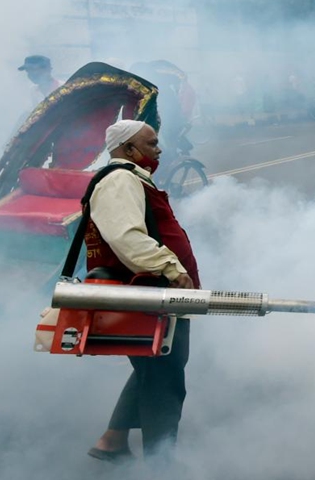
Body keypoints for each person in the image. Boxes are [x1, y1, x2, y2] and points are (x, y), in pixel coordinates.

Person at [85, 119, 200, 464]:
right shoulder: (119, 179)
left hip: (159, 295)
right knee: (164, 380)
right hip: (151, 294)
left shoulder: (131, 178)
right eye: (151, 144)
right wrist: (172, 268)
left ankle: (112, 440)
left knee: (154, 367)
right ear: (128, 149)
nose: (158, 149)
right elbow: (127, 237)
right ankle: (161, 464)